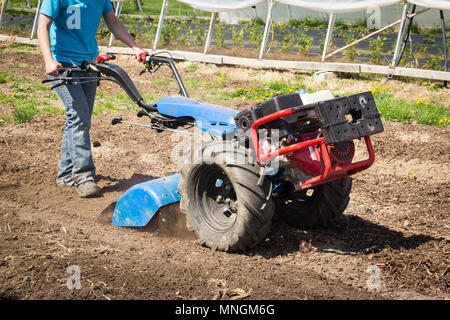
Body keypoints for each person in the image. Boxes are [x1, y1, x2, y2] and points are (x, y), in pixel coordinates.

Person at [37, 0, 147, 197]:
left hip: (89, 63)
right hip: (62, 64)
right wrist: (48, 60)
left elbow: (113, 22)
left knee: (80, 119)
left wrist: (135, 47)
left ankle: (65, 174)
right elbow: (42, 24)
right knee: (78, 117)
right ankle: (84, 176)